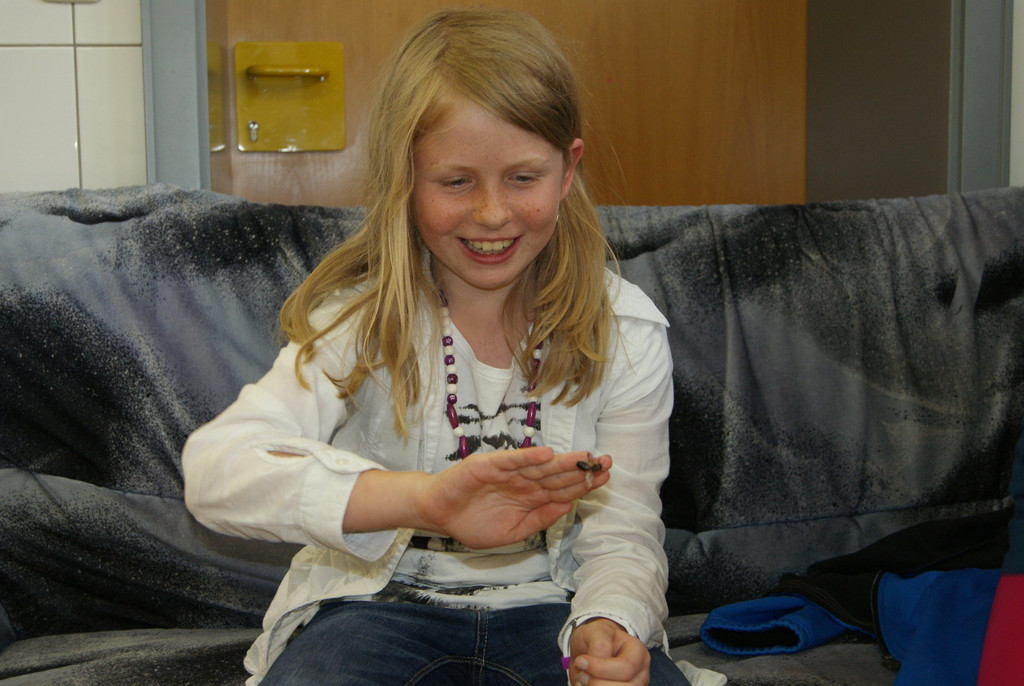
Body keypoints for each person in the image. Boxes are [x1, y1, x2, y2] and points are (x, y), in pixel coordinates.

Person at [182, 8, 686, 686]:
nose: (492, 213)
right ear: (405, 177)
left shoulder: (626, 330)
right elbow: (216, 472)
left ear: (567, 171)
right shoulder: (357, 321)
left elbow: (625, 530)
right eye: (456, 181)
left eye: (523, 178)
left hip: (554, 612)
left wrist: (611, 621)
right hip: (372, 611)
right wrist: (422, 501)